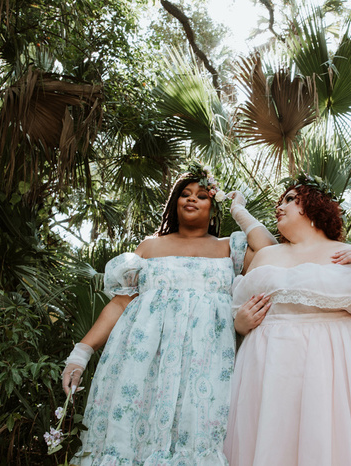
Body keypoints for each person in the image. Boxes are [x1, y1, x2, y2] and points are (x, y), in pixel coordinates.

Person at [62, 162, 276, 465]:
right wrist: (81, 354)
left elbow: (270, 252)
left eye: (202, 196)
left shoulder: (230, 248)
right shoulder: (149, 247)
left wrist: (238, 210)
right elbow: (121, 303)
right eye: (185, 193)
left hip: (206, 363)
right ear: (174, 203)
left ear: (213, 209)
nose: (191, 199)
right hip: (140, 362)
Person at [223, 174, 351, 466]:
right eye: (281, 201)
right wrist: (239, 324)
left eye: (291, 199)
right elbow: (239, 309)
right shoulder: (266, 255)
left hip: (333, 370)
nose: (281, 206)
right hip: (266, 369)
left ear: (315, 207)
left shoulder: (347, 255)